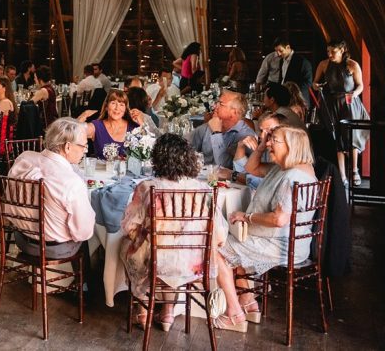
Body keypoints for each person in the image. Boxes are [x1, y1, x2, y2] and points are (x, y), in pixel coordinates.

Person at [212, 126, 318, 331]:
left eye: (273, 140)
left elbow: (279, 219)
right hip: (292, 241)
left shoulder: (291, 177)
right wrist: (260, 147)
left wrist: (247, 216)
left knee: (215, 249)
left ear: (291, 146)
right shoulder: (287, 168)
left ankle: (234, 312)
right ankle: (249, 303)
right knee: (236, 242)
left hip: (280, 245)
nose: (269, 142)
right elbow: (251, 169)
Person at [120, 133, 227, 331]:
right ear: (189, 159)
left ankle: (144, 311)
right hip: (194, 262)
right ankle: (168, 312)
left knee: (125, 246)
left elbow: (129, 228)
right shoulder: (204, 190)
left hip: (157, 260)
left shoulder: (147, 187)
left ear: (158, 159)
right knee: (171, 250)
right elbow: (219, 237)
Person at [6, 118, 95, 261]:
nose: (85, 150)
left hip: (22, 239)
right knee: (88, 240)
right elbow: (83, 233)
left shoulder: (24, 158)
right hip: (52, 248)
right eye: (83, 146)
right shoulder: (71, 182)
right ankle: (85, 282)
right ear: (67, 147)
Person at [313, 38, 370, 186]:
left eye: (333, 51)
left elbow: (360, 86)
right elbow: (314, 83)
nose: (330, 54)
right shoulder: (324, 64)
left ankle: (355, 171)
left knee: (352, 137)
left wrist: (354, 94)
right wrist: (317, 86)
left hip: (349, 103)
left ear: (342, 50)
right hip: (332, 104)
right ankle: (343, 175)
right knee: (337, 137)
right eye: (328, 51)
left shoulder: (352, 65)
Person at [190, 90, 252, 168]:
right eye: (217, 103)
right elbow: (187, 145)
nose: (214, 106)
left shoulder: (246, 136)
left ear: (234, 112)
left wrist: (216, 133)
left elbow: (226, 166)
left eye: (221, 104)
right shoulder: (210, 125)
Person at [232, 112, 289, 190]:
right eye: (261, 131)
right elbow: (247, 171)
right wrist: (240, 146)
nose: (262, 136)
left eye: (269, 131)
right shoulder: (264, 148)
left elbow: (265, 185)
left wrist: (233, 175)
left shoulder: (287, 156)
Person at [255, 37, 312, 106]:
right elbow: (282, 79)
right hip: (285, 99)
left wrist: (292, 91)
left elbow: (308, 83)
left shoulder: (302, 62)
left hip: (298, 101)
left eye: (280, 51)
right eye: (276, 51)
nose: (278, 54)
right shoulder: (282, 60)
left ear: (288, 47)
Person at [82, 89, 138, 158]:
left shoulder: (134, 128)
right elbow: (73, 131)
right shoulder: (97, 126)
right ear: (106, 107)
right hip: (100, 169)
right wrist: (84, 115)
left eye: (121, 105)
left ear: (125, 109)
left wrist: (142, 122)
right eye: (113, 103)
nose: (117, 108)